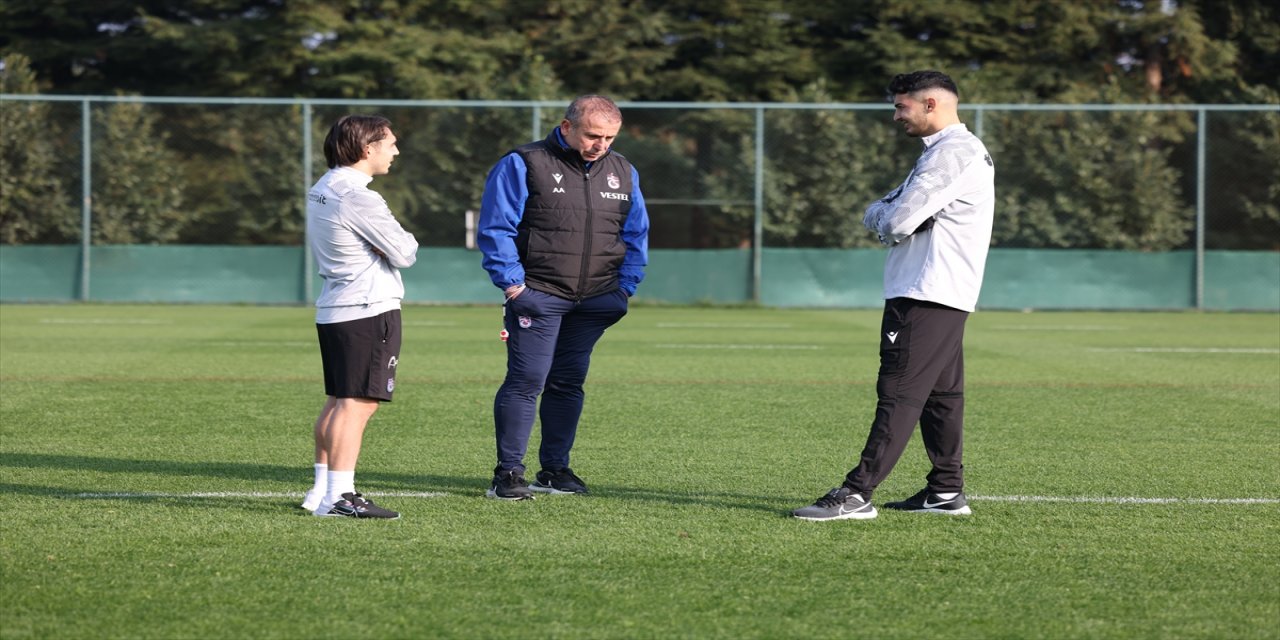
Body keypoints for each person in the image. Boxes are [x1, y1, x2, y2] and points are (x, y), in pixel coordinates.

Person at [793, 71, 995, 521]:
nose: (895, 115)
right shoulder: (947, 152)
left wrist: (882, 215)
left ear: (931, 105)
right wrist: (888, 212)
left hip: (926, 290)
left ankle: (856, 493)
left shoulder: (950, 154)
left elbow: (895, 218)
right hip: (943, 289)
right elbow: (896, 211)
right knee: (942, 395)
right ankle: (946, 490)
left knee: (899, 390)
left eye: (902, 107)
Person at [476, 95, 650, 500]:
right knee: (526, 380)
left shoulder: (623, 170)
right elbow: (496, 227)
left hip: (597, 299)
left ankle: (554, 470)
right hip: (539, 294)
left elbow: (636, 233)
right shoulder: (524, 162)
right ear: (567, 126)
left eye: (609, 138)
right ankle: (508, 475)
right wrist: (514, 285)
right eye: (593, 135)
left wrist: (625, 288)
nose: (601, 145)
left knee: (568, 383)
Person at [301, 114, 419, 519]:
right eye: (390, 143)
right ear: (368, 149)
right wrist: (402, 242)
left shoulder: (324, 186)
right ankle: (340, 497)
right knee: (357, 405)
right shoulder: (358, 196)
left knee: (338, 401)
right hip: (367, 308)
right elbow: (404, 253)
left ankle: (320, 492)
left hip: (337, 307)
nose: (396, 151)